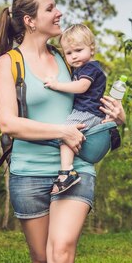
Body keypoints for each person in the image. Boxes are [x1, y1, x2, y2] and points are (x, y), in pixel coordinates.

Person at [0, 0, 125, 263]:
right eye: (50, 8)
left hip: (75, 167)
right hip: (29, 171)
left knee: (62, 253)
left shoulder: (66, 59)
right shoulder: (9, 63)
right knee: (42, 262)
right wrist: (62, 131)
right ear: (29, 20)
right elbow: (7, 123)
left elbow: (90, 105)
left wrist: (117, 117)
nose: (59, 14)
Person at [44, 24, 106, 194]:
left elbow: (82, 87)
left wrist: (57, 85)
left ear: (91, 48)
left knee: (66, 134)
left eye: (78, 50)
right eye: (69, 53)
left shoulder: (91, 68)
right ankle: (67, 170)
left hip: (86, 112)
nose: (74, 56)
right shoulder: (81, 68)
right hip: (87, 111)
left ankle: (67, 172)